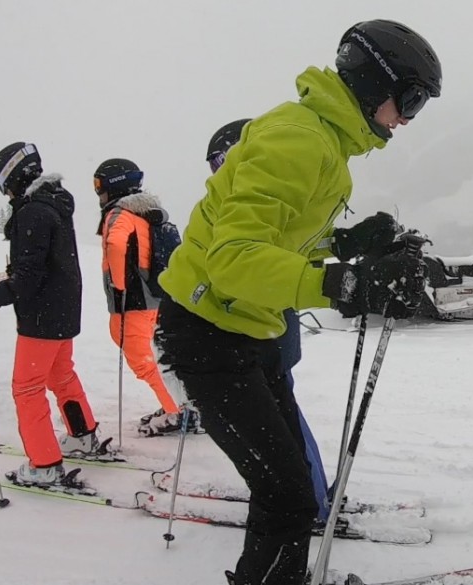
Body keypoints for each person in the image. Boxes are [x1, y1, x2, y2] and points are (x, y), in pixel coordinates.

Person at [154, 19, 440, 585]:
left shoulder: (324, 142)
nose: (406, 118)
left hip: (247, 330)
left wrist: (346, 244)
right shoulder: (299, 140)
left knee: (290, 488)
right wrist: (345, 286)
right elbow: (232, 259)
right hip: (209, 332)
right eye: (409, 100)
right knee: (286, 493)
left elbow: (280, 236)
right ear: (371, 84)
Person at [206, 118, 327, 520]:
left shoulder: (252, 205)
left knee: (280, 421)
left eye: (220, 163)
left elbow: (254, 266)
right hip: (267, 328)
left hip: (264, 330)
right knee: (282, 418)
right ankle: (309, 495)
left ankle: (310, 499)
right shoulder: (252, 204)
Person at [0, 142, 103, 485]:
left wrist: (2, 291)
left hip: (41, 317)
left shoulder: (32, 212)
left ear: (13, 175)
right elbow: (41, 265)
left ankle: (43, 465)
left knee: (26, 388)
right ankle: (81, 434)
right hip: (62, 310)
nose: (4, 191)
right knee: (61, 376)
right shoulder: (52, 204)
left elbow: (29, 275)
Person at [94, 158, 198, 436]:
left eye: (99, 186)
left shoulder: (119, 213)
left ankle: (178, 411)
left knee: (142, 360)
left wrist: (118, 288)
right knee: (153, 356)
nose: (98, 194)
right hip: (154, 297)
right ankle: (178, 405)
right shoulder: (146, 212)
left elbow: (116, 244)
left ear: (114, 185)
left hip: (133, 301)